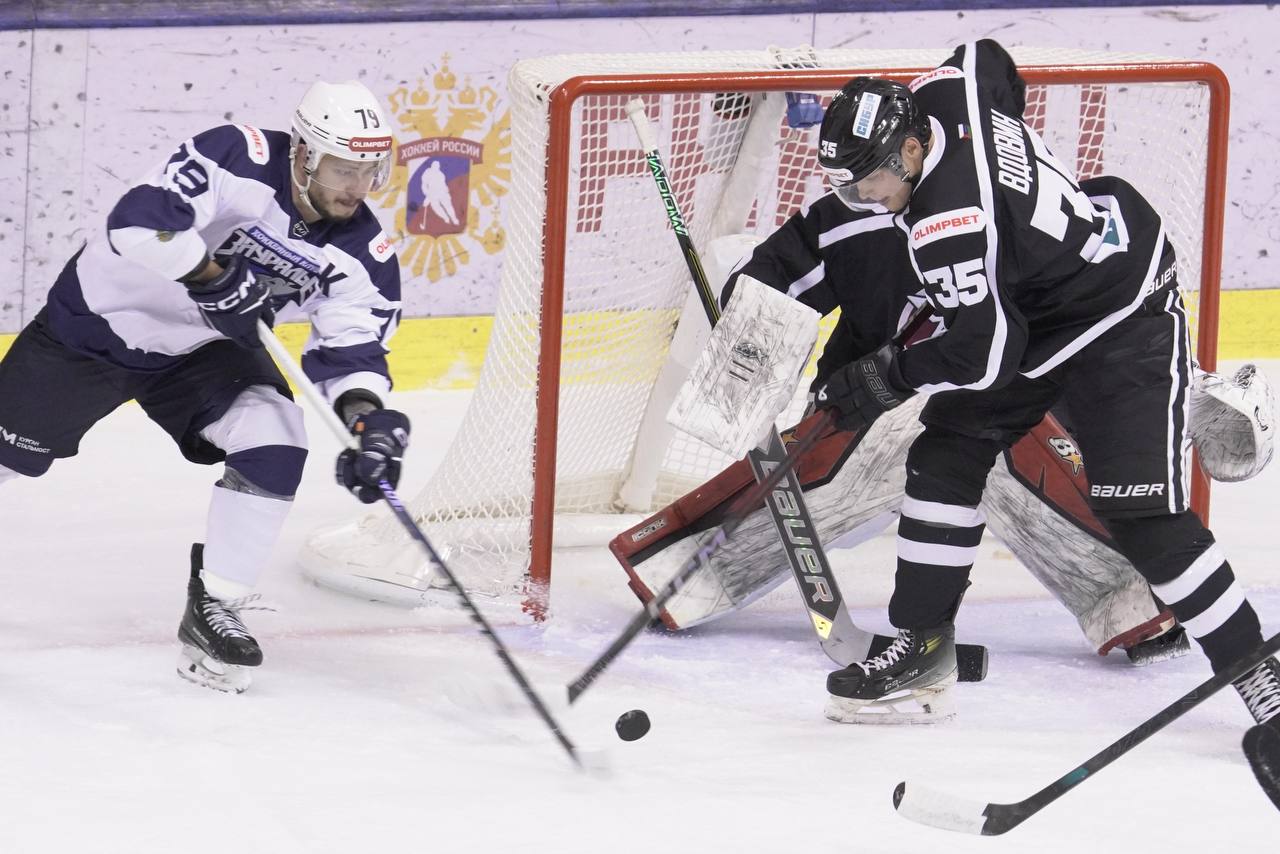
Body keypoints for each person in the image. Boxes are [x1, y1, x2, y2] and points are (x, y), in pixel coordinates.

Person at [807, 39, 1280, 792]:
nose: (866, 197)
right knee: (945, 455)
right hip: (1040, 313)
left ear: (909, 148)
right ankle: (922, 647)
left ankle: (1264, 682)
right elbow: (986, 58)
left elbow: (984, 356)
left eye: (870, 181)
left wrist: (890, 375)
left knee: (1141, 516)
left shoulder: (948, 226)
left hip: (1120, 311)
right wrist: (1014, 202)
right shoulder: (948, 92)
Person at [0, 80, 408, 694]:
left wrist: (365, 419)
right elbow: (136, 225)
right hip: (96, 327)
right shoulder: (238, 156)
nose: (357, 186)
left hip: (201, 353)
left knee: (276, 434)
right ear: (303, 153)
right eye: (343, 168)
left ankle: (216, 604)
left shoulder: (362, 251)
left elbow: (350, 350)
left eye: (370, 171)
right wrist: (212, 275)